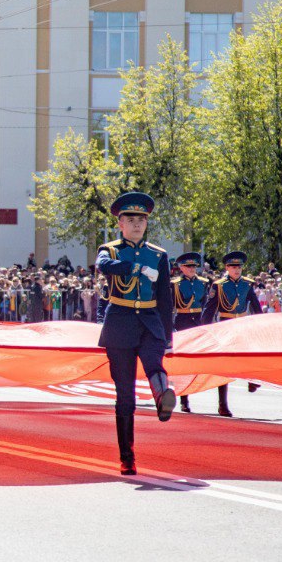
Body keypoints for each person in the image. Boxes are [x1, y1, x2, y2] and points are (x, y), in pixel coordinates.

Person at [95, 192, 176, 476]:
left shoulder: (159, 254)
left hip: (150, 321)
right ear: (120, 223)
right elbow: (103, 266)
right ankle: (127, 456)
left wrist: (168, 338)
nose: (137, 224)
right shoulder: (111, 250)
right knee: (125, 394)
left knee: (155, 362)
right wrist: (136, 267)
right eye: (130, 219)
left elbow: (165, 299)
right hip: (120, 322)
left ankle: (163, 397)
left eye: (141, 219)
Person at [200, 251, 263, 416]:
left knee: (249, 354)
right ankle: (223, 404)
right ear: (227, 268)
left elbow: (255, 306)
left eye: (239, 266)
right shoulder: (219, 285)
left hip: (242, 325)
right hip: (225, 325)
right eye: (233, 266)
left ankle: (252, 380)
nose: (237, 269)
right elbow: (209, 309)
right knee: (225, 365)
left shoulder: (247, 285)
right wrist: (205, 329)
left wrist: (261, 324)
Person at [170, 252, 208, 413]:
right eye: (188, 266)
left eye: (194, 266)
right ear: (181, 268)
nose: (192, 269)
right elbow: (169, 307)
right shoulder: (175, 284)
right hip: (182, 321)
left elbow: (206, 305)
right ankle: (184, 399)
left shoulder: (204, 283)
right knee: (184, 363)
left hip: (198, 322)